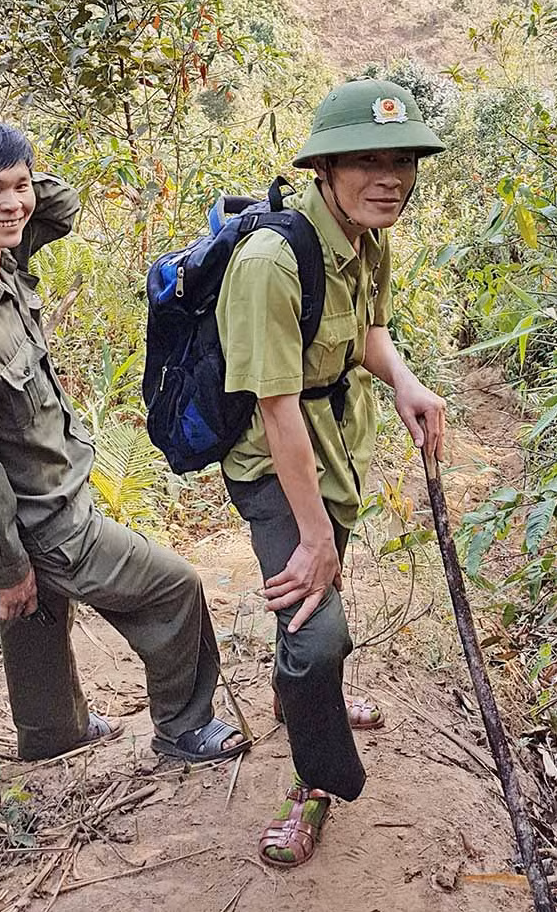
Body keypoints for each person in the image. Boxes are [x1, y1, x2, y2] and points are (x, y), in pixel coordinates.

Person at [0, 121, 247, 765]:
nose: (14, 204)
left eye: (21, 183)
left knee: (36, 612)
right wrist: (6, 569)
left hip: (44, 491)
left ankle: (52, 734)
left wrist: (7, 188)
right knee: (173, 589)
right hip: (48, 518)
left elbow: (60, 208)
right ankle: (184, 729)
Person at [215, 78, 447, 867]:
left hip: (334, 454)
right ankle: (315, 783)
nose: (391, 178)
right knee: (316, 640)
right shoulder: (272, 262)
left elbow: (369, 333)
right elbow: (277, 408)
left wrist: (406, 382)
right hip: (275, 466)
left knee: (316, 615)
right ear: (324, 169)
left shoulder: (367, 236)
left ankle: (303, 701)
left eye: (402, 161)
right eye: (367, 161)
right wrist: (315, 536)